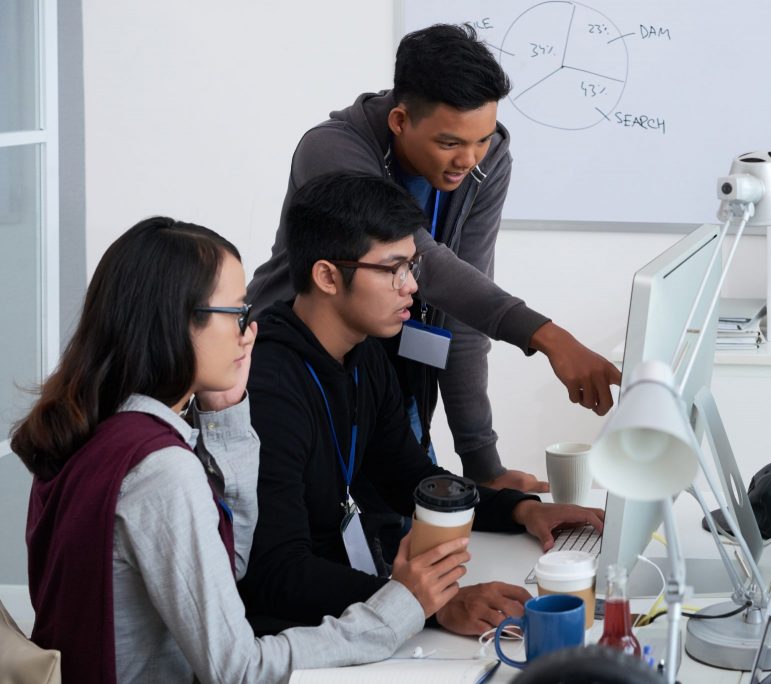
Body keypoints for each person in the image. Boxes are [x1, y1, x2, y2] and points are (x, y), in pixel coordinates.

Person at [11, 217, 471, 683]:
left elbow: (226, 565)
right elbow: (237, 669)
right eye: (236, 312)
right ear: (177, 322)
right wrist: (397, 609)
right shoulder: (161, 470)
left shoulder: (94, 424)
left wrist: (227, 414)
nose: (248, 331)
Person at [246, 23, 621, 492]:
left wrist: (483, 465)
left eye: (480, 139)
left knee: (409, 517)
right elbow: (428, 262)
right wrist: (545, 335)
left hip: (387, 376)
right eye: (450, 143)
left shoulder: (488, 159)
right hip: (298, 369)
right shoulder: (332, 149)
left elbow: (461, 317)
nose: (468, 159)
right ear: (400, 121)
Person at [239, 173, 604, 637]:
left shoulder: (363, 351)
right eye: (393, 269)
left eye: (412, 267)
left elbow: (406, 477)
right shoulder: (267, 385)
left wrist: (521, 511)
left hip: (350, 598)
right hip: (293, 634)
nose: (410, 286)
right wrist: (426, 605)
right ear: (328, 276)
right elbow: (275, 572)